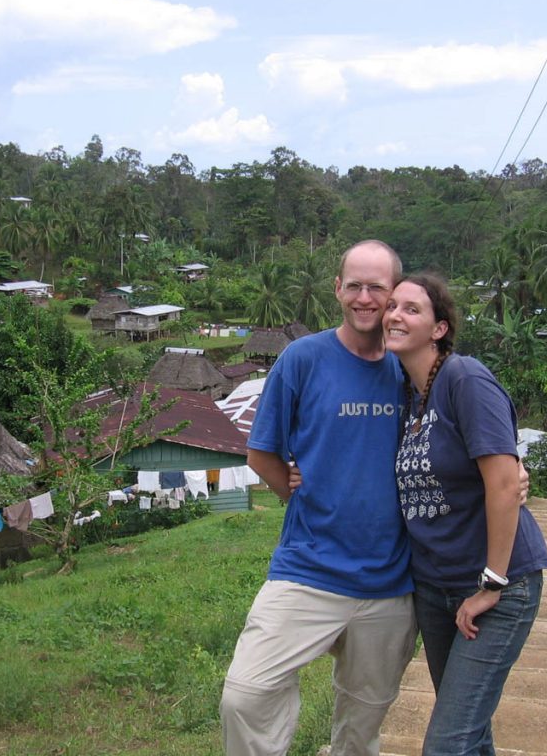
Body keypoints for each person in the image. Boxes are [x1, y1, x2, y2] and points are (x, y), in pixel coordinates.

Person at [220, 239, 417, 756]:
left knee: (362, 723)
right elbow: (261, 453)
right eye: (354, 285)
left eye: (378, 287)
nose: (365, 297)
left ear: (395, 293)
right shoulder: (303, 359)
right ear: (337, 289)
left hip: (390, 581)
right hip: (308, 569)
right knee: (246, 693)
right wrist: (302, 498)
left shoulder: (412, 368)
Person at [382, 272, 547, 756]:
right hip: (435, 590)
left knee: (446, 743)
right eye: (393, 305)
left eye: (412, 309)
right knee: (469, 735)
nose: (395, 314)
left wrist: (491, 583)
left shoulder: (465, 377)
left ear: (439, 328)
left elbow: (502, 480)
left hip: (499, 587)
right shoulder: (405, 394)